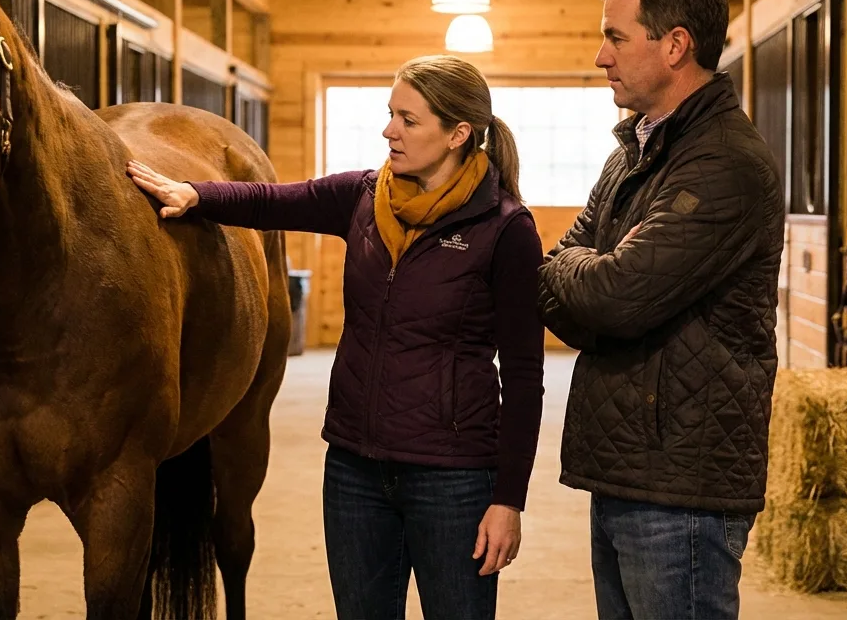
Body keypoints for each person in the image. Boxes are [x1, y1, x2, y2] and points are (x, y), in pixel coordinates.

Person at [126, 54, 545, 620]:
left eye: (408, 119)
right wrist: (196, 194)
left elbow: (524, 375)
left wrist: (508, 500)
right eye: (389, 114)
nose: (388, 130)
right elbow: (274, 201)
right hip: (355, 469)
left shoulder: (506, 229)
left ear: (458, 134)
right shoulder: (365, 198)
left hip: (453, 478)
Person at [536, 0, 785, 619]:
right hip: (628, 464)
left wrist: (578, 278)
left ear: (675, 44)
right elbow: (576, 284)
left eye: (616, 37)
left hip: (683, 483)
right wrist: (583, 282)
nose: (599, 56)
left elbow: (614, 294)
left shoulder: (724, 162)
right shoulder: (632, 157)